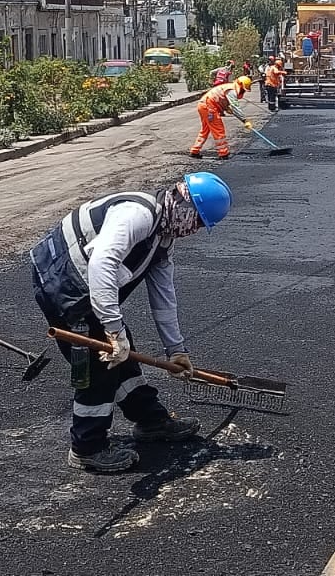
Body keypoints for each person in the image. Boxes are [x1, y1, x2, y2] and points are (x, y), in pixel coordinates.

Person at [31, 172, 232, 473]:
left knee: (122, 357)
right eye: (198, 221)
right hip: (61, 283)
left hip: (87, 286)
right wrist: (114, 330)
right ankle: (86, 448)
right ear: (183, 203)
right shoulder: (137, 214)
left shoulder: (162, 239)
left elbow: (164, 297)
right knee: (99, 366)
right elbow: (102, 263)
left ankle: (150, 421)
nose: (194, 230)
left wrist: (175, 349)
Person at [190, 76, 252, 160]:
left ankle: (195, 150)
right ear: (240, 85)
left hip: (203, 105)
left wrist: (226, 108)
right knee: (218, 129)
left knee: (205, 130)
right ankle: (223, 153)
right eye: (243, 89)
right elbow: (235, 106)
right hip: (209, 108)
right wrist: (244, 120)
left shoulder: (229, 87)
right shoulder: (231, 91)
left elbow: (221, 98)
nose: (243, 91)